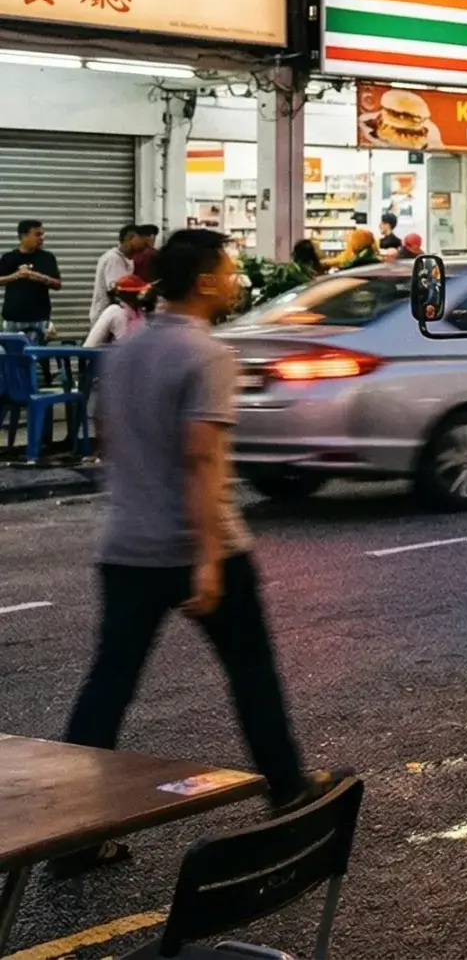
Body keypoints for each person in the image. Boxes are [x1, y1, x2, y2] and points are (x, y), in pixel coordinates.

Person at [58, 230, 330, 869]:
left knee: (109, 684)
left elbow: (109, 438)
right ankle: (287, 788)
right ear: (205, 281)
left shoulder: (126, 350)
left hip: (126, 544)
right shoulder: (207, 354)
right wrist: (207, 558)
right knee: (251, 672)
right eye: (230, 270)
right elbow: (203, 459)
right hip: (199, 546)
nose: (237, 280)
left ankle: (70, 835)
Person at [0, 218, 63, 341]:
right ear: (24, 236)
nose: (41, 238)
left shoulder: (47, 258)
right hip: (13, 319)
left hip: (40, 319)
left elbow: (57, 284)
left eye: (42, 234)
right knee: (12, 357)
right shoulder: (9, 258)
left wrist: (37, 276)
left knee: (40, 358)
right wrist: (16, 276)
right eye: (37, 234)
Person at [91, 223, 150, 319]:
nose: (144, 246)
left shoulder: (127, 260)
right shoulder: (113, 259)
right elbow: (117, 292)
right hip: (107, 317)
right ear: (131, 238)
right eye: (142, 241)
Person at [83, 275, 150, 347]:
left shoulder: (137, 313)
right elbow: (124, 343)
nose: (143, 296)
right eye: (140, 293)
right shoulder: (116, 311)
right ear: (129, 295)